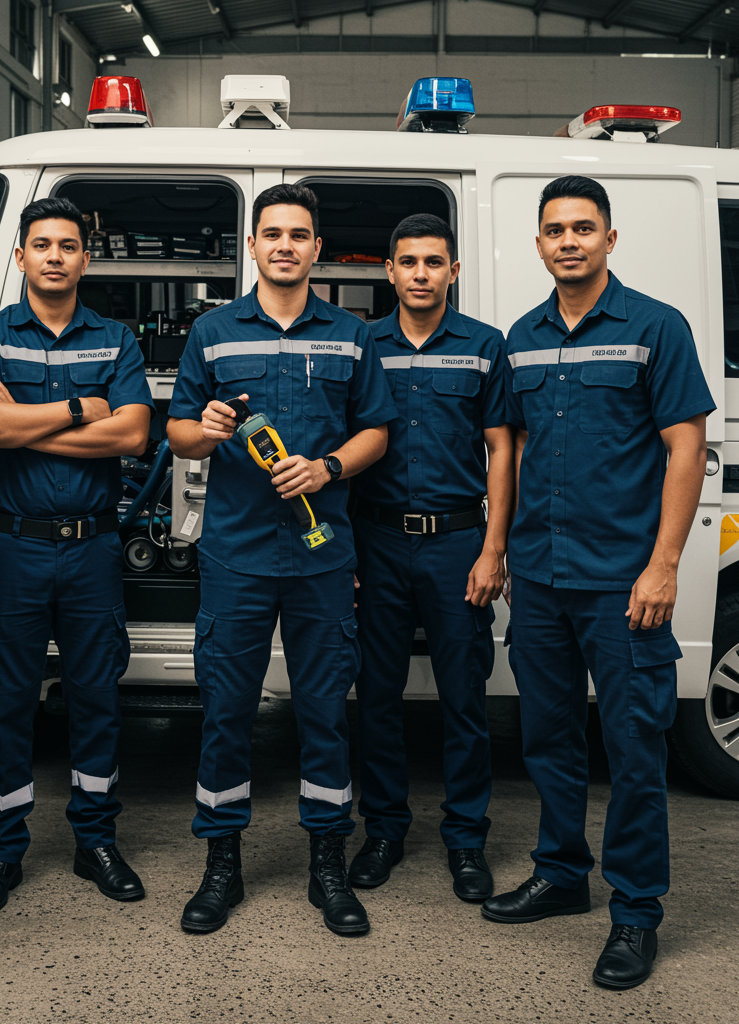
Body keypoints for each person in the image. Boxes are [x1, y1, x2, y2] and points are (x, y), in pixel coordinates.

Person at [481, 175, 714, 990]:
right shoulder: (522, 336)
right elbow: (511, 448)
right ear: (539, 244)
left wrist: (664, 564)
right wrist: (503, 550)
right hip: (541, 579)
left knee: (634, 747)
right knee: (547, 739)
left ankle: (636, 911)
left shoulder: (656, 326)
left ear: (610, 240)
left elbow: (687, 447)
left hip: (624, 582)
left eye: (584, 228)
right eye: (555, 230)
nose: (569, 241)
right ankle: (561, 873)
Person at [166, 183, 396, 937]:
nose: (285, 246)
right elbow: (177, 432)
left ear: (316, 248)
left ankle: (328, 865)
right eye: (273, 234)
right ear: (253, 245)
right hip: (235, 555)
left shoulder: (352, 335)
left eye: (299, 235)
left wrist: (327, 469)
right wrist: (205, 428)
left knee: (325, 712)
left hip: (320, 557)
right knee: (226, 712)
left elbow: (376, 432)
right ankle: (221, 866)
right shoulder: (213, 331)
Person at [0, 197, 154, 915]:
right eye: (41, 245)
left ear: (84, 259)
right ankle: (1, 851)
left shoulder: (115, 338)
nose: (55, 257)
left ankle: (95, 841)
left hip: (92, 548)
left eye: (68, 246)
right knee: (8, 700)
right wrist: (78, 409)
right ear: (21, 256)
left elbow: (132, 436)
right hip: (16, 548)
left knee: (96, 698)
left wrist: (22, 422)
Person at [348, 214, 513, 900]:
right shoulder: (361, 343)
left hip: (457, 545)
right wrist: (348, 553)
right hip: (377, 542)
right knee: (376, 697)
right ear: (389, 271)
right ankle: (383, 830)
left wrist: (494, 548)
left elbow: (502, 448)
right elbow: (346, 445)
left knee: (464, 699)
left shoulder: (484, 345)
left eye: (434, 262)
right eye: (409, 262)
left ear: (454, 271)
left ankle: (466, 840)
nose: (421, 274)